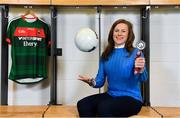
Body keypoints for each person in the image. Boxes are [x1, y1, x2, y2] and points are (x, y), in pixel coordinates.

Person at [77, 19, 148, 117]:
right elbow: (100, 81)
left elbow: (144, 78)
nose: (119, 34)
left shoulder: (136, 53)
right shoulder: (106, 55)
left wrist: (142, 68)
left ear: (129, 35)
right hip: (111, 95)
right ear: (112, 33)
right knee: (83, 105)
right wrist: (91, 81)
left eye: (123, 31)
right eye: (116, 30)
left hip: (132, 98)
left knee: (104, 107)